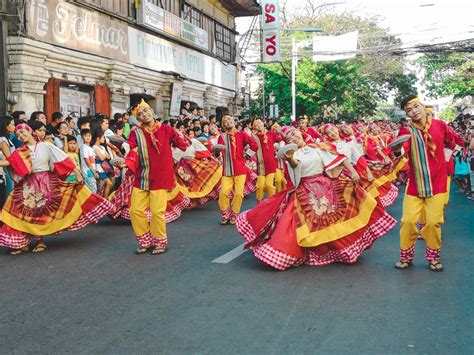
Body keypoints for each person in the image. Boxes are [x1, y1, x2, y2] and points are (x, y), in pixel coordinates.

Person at [235, 127, 396, 271]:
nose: (294, 138)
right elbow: (295, 171)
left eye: (294, 134)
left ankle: (342, 251)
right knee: (304, 223)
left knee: (336, 217)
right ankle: (303, 252)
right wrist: (290, 159)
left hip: (325, 184)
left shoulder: (317, 147)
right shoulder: (292, 155)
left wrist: (353, 171)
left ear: (300, 133)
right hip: (305, 189)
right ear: (287, 142)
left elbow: (339, 158)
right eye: (289, 138)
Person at [0, 124, 113, 255]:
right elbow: (10, 162)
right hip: (28, 185)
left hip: (45, 182)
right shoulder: (21, 150)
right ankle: (21, 242)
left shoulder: (46, 146)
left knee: (39, 213)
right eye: (18, 134)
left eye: (22, 132)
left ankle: (40, 241)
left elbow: (62, 159)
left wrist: (76, 172)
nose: (20, 135)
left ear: (30, 131)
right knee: (16, 208)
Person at [392, 95, 455, 272]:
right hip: (415, 184)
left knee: (434, 222)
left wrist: (445, 160)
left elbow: (452, 141)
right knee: (408, 221)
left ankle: (433, 258)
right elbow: (401, 152)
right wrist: (397, 150)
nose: (413, 111)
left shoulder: (440, 125)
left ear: (422, 105)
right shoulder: (406, 131)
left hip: (439, 184)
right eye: (409, 110)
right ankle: (406, 257)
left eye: (415, 107)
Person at [127, 99, 187, 255]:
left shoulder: (167, 129)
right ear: (138, 118)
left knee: (156, 212)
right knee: (135, 210)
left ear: (152, 112)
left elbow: (183, 145)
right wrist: (124, 153)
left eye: (146, 111)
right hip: (142, 176)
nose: (144, 114)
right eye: (140, 114)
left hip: (161, 177)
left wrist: (172, 159)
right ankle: (145, 240)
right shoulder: (136, 132)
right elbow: (130, 146)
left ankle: (160, 240)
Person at [215, 115, 258, 225]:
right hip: (227, 170)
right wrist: (215, 151)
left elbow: (254, 145)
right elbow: (217, 153)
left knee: (239, 194)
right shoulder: (221, 137)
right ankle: (225, 215)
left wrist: (248, 155)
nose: (228, 122)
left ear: (234, 122)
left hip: (240, 169)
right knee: (223, 192)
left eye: (230, 120)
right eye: (225, 121)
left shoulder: (241, 134)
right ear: (223, 125)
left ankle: (234, 214)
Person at [251, 117, 282, 202]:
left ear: (263, 124)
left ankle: (272, 202)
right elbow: (251, 148)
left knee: (269, 185)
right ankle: (259, 202)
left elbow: (280, 140)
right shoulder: (254, 137)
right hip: (260, 165)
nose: (259, 125)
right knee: (260, 186)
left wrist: (281, 132)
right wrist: (246, 156)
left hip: (271, 164)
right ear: (254, 127)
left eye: (260, 123)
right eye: (256, 124)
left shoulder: (271, 134)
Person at [80, 128, 98, 193]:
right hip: (87, 172)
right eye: (85, 136)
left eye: (89, 135)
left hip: (91, 172)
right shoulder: (84, 147)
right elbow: (87, 161)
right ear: (82, 137)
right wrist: (94, 172)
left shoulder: (89, 148)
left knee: (93, 190)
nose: (88, 137)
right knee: (92, 191)